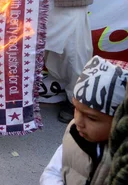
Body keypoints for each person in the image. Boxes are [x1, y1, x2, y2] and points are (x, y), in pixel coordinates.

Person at [40, 56, 128, 185]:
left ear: (120, 120)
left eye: (91, 118)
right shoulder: (73, 133)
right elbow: (52, 172)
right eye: (76, 108)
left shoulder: (123, 160)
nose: (78, 121)